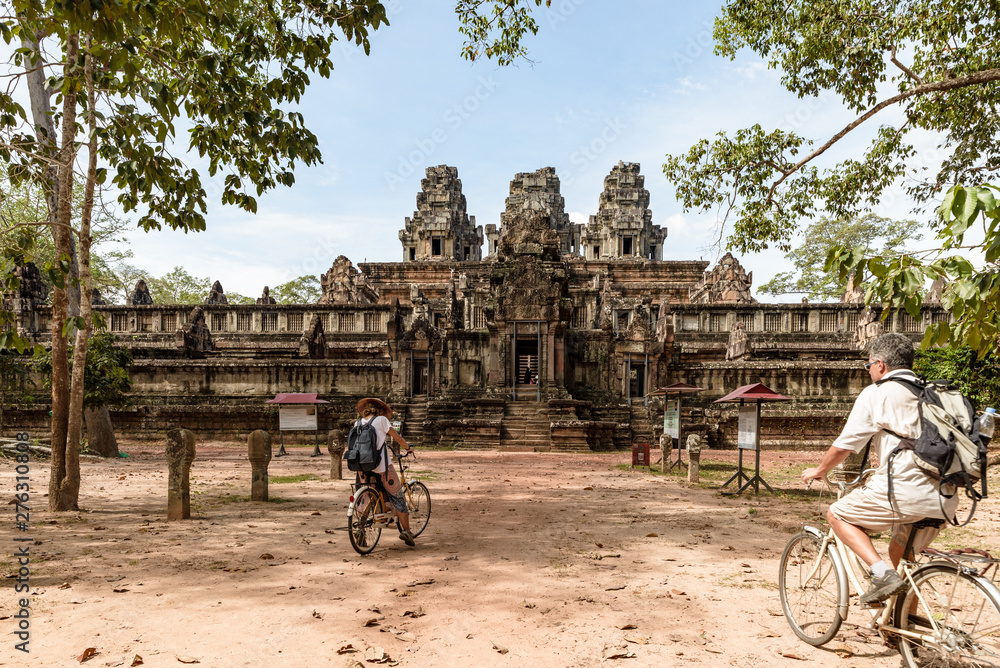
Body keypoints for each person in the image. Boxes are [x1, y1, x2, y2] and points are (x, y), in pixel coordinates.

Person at [801, 333, 958, 606]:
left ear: (880, 364)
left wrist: (820, 470)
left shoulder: (878, 392)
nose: (869, 371)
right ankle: (904, 624)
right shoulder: (937, 392)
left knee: (837, 514)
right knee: (902, 552)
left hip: (904, 489)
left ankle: (879, 572)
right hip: (946, 496)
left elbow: (845, 446)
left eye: (868, 365)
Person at [354, 397, 416, 546]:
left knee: (366, 497)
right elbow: (398, 438)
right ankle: (406, 532)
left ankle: (360, 529)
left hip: (362, 467)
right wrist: (408, 448)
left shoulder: (357, 423)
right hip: (382, 467)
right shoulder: (381, 420)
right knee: (398, 497)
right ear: (380, 410)